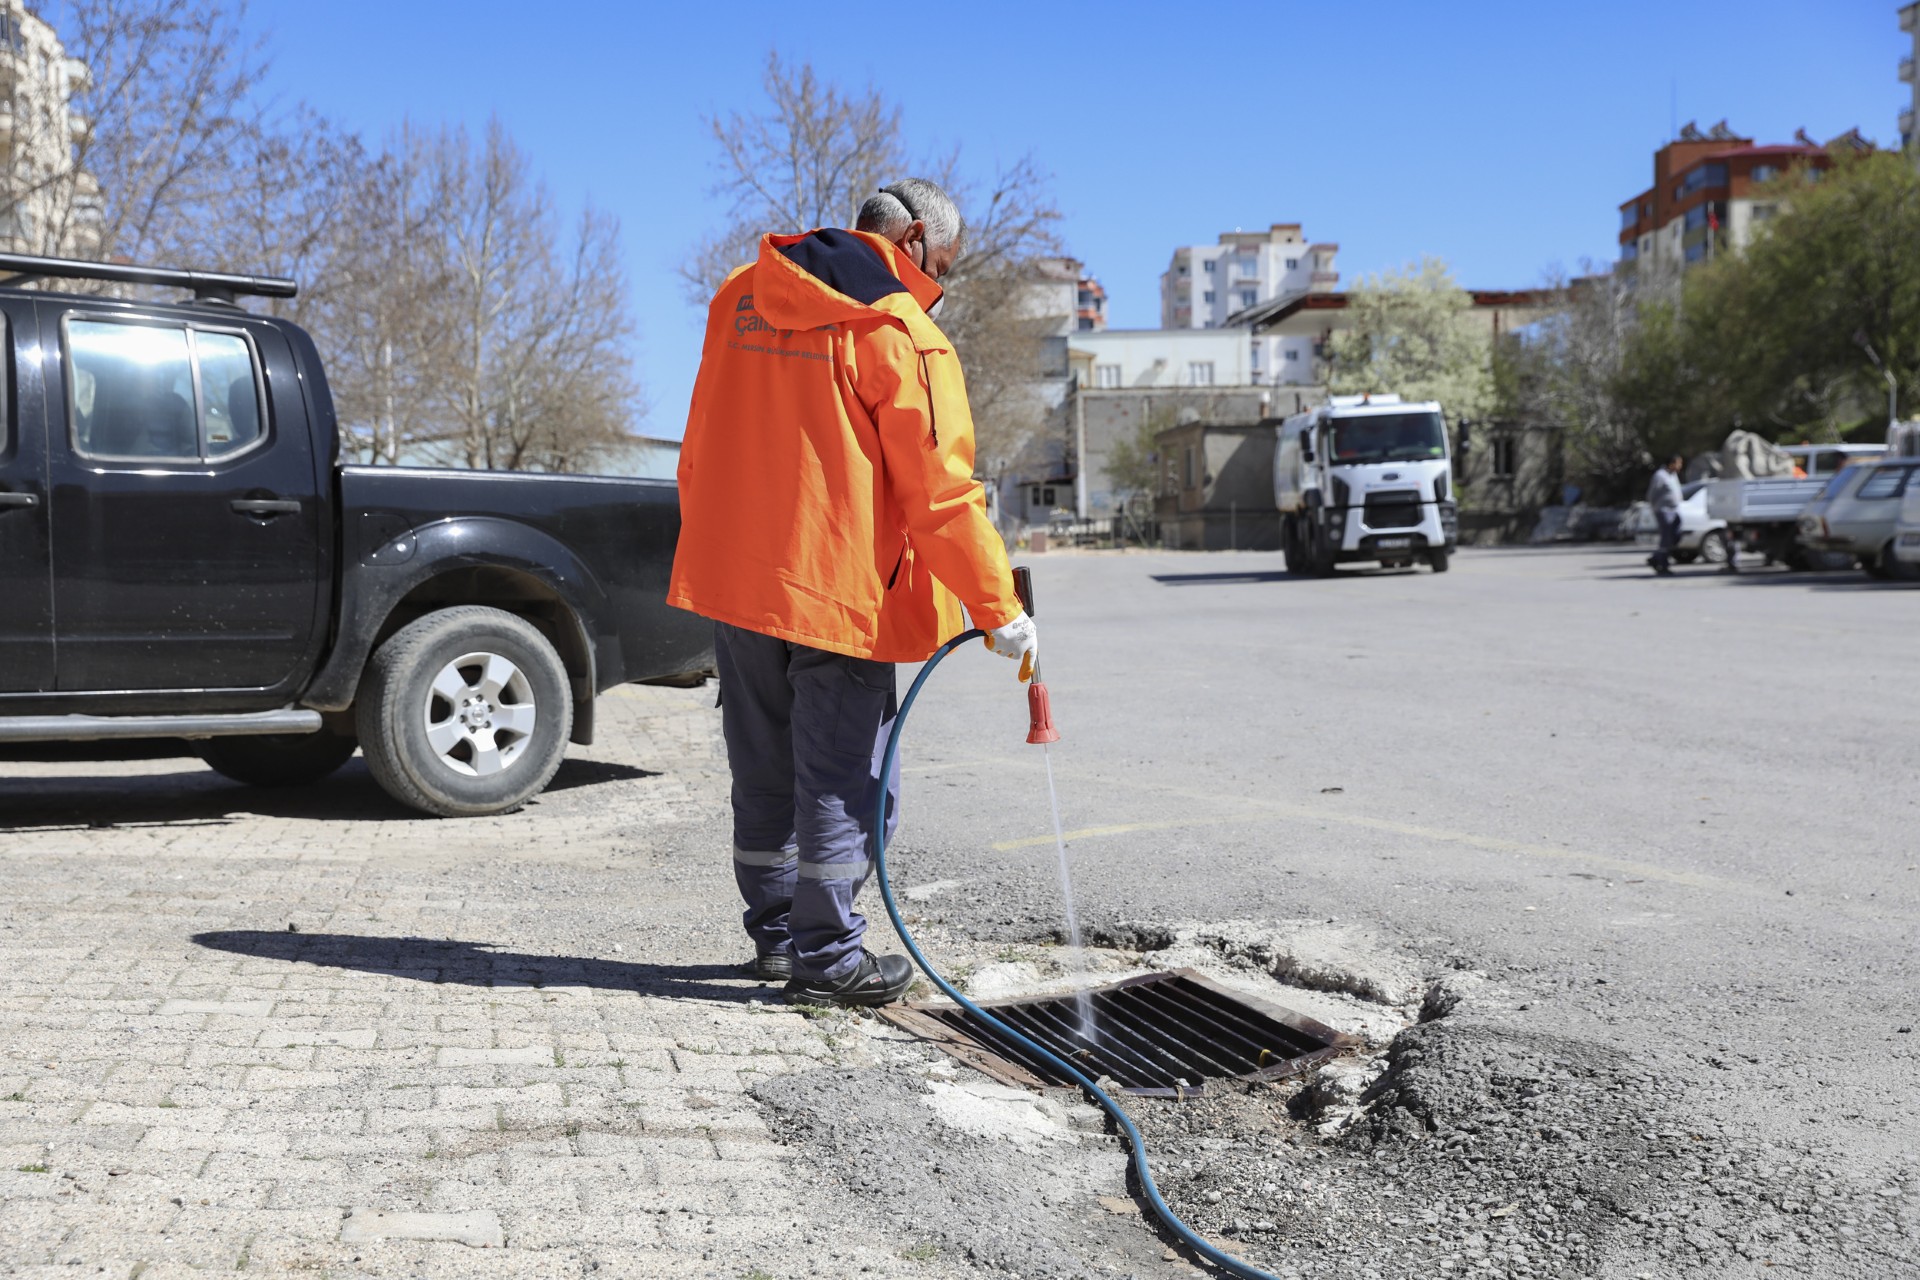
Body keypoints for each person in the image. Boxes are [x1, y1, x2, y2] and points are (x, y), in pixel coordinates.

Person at [667, 178, 1038, 1009]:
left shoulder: (739, 297)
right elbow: (940, 494)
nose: (938, 285)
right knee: (842, 783)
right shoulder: (899, 332)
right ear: (911, 241)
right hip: (839, 595)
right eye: (942, 265)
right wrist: (999, 609)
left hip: (740, 580)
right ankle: (829, 958)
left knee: (763, 771)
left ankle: (777, 938)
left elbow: (702, 437)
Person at [1645, 454, 1685, 576]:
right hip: (1663, 510)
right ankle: (1663, 564)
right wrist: (1655, 508)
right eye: (1678, 463)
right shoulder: (1660, 475)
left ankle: (1656, 558)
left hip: (1675, 510)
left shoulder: (1673, 475)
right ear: (1671, 464)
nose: (1680, 466)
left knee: (1675, 536)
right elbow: (1652, 494)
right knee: (1666, 537)